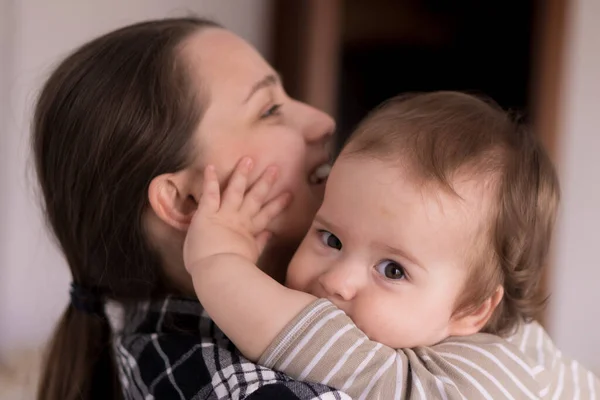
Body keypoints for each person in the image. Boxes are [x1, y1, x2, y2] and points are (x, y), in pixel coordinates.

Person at [31, 16, 584, 400]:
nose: (322, 120)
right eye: (270, 108)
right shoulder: (227, 379)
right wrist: (219, 256)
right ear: (187, 200)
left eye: (393, 268)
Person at [184, 91, 600, 399]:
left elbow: (329, 350)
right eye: (331, 239)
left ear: (473, 310)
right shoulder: (432, 312)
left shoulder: (484, 377)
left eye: (393, 270)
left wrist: (217, 260)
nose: (337, 282)